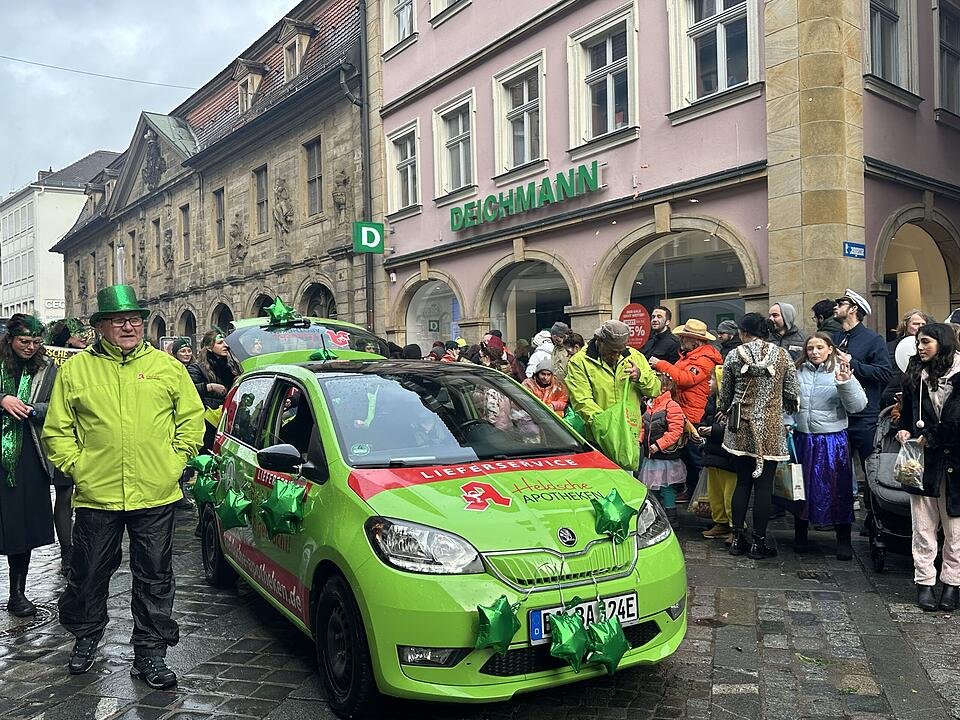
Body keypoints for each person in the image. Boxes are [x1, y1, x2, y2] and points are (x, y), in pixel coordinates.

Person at [42, 285, 204, 687]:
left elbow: (191, 419)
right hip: (98, 495)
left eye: (134, 319)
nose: (129, 326)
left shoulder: (167, 367)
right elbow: (57, 429)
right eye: (118, 320)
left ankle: (150, 654)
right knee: (88, 573)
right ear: (101, 326)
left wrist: (174, 462)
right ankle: (85, 636)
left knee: (155, 576)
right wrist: (78, 467)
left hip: (155, 492)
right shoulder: (76, 370)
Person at [719, 313, 800, 559]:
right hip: (770, 429)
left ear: (743, 332)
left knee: (743, 482)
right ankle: (759, 543)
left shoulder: (734, 355)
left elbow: (725, 396)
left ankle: (736, 539)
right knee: (764, 487)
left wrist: (726, 408)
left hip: (740, 429)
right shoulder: (782, 355)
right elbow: (792, 393)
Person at [896, 323, 960, 612]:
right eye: (918, 343)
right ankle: (924, 582)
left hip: (956, 461)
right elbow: (908, 413)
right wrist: (904, 429)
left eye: (926, 342)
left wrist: (933, 436)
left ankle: (952, 584)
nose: (920, 348)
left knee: (955, 529)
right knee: (922, 526)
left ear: (942, 343)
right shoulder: (915, 373)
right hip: (923, 462)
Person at [788, 333, 867, 560]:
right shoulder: (797, 371)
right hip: (803, 438)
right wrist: (788, 422)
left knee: (838, 490)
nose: (815, 352)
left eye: (820, 347)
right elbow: (788, 403)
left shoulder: (840, 370)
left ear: (830, 349)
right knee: (800, 489)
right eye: (810, 348)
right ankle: (800, 535)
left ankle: (843, 539)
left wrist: (845, 383)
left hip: (832, 440)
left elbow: (858, 406)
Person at [0, 314, 56, 616]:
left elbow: (57, 405)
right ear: (10, 339)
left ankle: (18, 592)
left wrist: (33, 409)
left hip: (29, 455)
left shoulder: (47, 367)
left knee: (22, 526)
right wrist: (2, 399)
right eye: (24, 341)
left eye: (36, 342)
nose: (30, 347)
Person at [649, 318, 722, 500]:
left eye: (684, 337)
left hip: (694, 414)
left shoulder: (704, 359)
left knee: (695, 456)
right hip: (684, 411)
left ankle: (702, 495)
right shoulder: (690, 356)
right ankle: (692, 492)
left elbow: (685, 379)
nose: (681, 340)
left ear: (695, 341)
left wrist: (661, 364)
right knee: (688, 456)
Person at [565, 320, 660, 454]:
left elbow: (655, 389)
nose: (616, 356)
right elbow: (582, 402)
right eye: (612, 351)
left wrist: (640, 377)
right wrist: (608, 429)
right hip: (598, 438)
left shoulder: (635, 356)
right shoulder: (579, 362)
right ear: (600, 341)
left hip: (630, 436)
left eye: (620, 351)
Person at [832, 289, 891, 481]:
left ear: (853, 309)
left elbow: (885, 373)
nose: (835, 307)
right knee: (837, 471)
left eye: (840, 303)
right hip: (838, 415)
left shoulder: (873, 339)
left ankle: (872, 501)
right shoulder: (835, 338)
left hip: (864, 416)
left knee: (870, 469)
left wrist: (853, 363)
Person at [639, 373, 687, 523]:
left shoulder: (671, 406)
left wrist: (659, 444)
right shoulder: (649, 405)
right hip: (651, 456)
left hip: (665, 457)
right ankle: (655, 515)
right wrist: (639, 440)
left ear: (664, 388)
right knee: (652, 487)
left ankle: (671, 517)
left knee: (667, 488)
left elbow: (676, 431)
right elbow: (642, 426)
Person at [698, 368, 738, 544]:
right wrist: (701, 428)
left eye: (713, 379)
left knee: (730, 494)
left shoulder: (732, 403)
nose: (709, 382)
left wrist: (713, 430)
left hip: (728, 455)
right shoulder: (711, 401)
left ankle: (736, 526)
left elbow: (734, 428)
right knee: (715, 492)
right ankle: (720, 522)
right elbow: (706, 418)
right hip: (713, 453)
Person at [189, 330, 242, 451]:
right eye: (220, 343)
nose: (225, 345)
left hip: (230, 420)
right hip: (208, 423)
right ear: (209, 347)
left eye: (225, 342)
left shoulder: (232, 366)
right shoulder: (197, 368)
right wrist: (210, 387)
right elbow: (190, 390)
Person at [881, 309, 934, 407]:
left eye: (923, 324)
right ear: (906, 325)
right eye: (916, 324)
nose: (920, 327)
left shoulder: (930, 347)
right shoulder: (891, 347)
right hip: (894, 392)